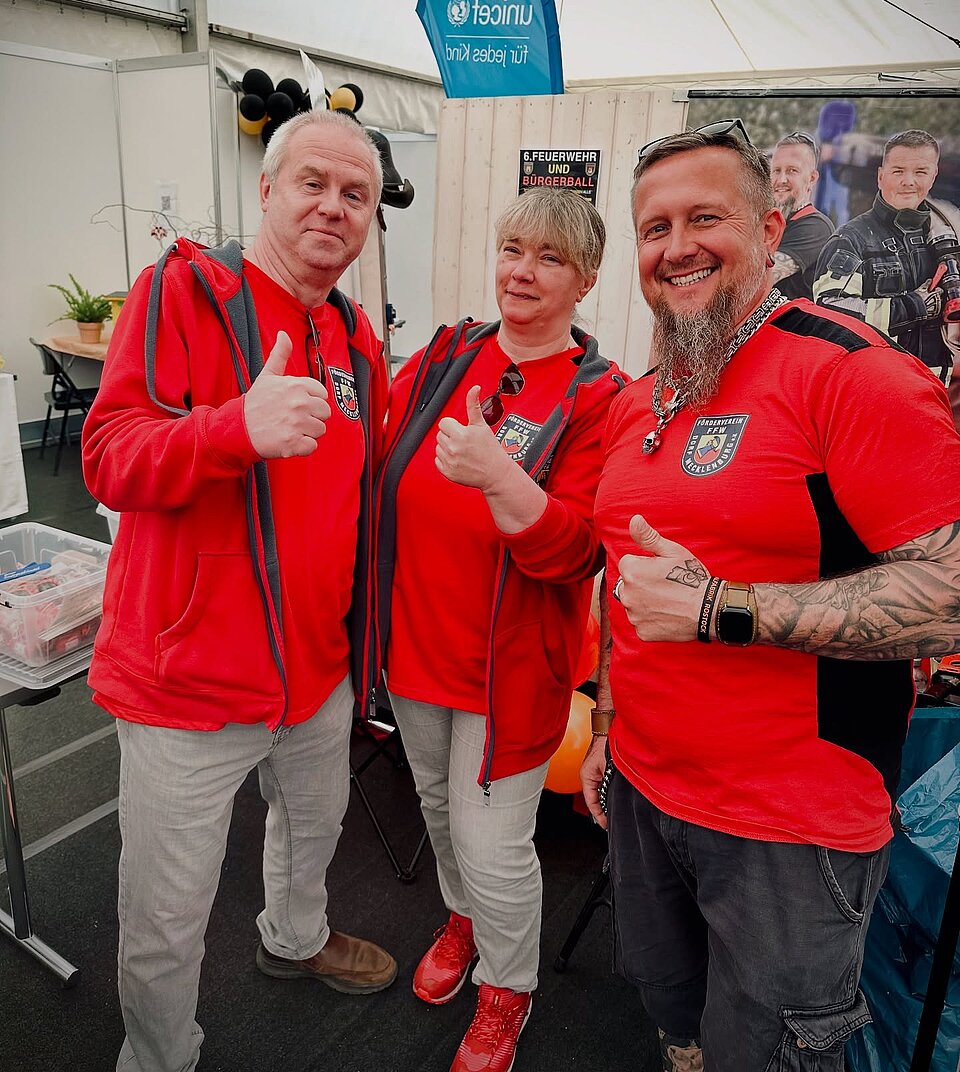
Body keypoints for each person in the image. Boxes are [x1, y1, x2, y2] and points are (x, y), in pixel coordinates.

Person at [581, 120, 960, 1072]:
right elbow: (621, 585)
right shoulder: (641, 398)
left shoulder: (851, 374)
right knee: (678, 1025)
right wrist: (611, 722)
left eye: (705, 216)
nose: (678, 246)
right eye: (655, 226)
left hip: (790, 826)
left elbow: (952, 593)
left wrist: (723, 608)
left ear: (773, 226)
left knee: (774, 1052)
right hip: (644, 784)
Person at [82, 109, 397, 1072]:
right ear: (266, 189)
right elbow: (107, 456)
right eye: (313, 183)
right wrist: (231, 429)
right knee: (166, 913)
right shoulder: (184, 290)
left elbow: (366, 487)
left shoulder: (351, 334)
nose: (333, 208)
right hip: (187, 686)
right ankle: (158, 1056)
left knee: (314, 835)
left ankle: (293, 939)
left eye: (356, 196)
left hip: (313, 675)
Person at [368, 188, 625, 1072]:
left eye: (549, 258)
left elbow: (577, 550)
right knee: (439, 814)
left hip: (510, 669)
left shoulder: (601, 397)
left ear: (585, 279)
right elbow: (374, 448)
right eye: (514, 248)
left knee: (494, 842)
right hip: (413, 649)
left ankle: (506, 990)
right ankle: (463, 917)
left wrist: (495, 476)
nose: (523, 271)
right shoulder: (448, 353)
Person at [814, 128, 959, 383]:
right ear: (881, 177)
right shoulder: (851, 239)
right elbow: (829, 312)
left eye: (920, 172)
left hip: (942, 387)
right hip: (878, 387)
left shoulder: (949, 233)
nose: (909, 181)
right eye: (898, 171)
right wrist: (913, 306)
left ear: (933, 176)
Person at [768, 130, 835, 299]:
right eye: (776, 170)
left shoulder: (816, 227)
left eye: (792, 171)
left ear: (812, 178)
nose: (781, 179)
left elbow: (762, 278)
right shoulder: (767, 222)